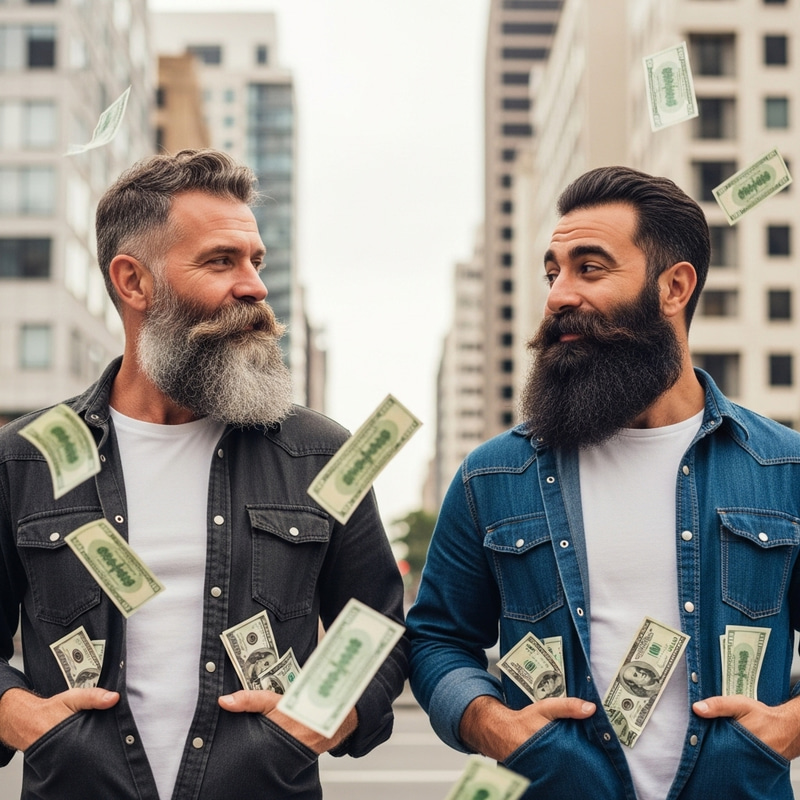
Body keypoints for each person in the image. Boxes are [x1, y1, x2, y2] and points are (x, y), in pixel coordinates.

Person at [0, 149, 408, 800]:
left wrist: (327, 718)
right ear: (134, 282)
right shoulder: (23, 459)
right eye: (222, 261)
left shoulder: (319, 455)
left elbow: (380, 632)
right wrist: (18, 714)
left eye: (256, 261)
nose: (254, 286)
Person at [407, 165, 800, 800]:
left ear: (674, 287)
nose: (559, 295)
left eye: (589, 269)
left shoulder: (785, 468)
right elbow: (438, 640)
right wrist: (494, 726)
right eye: (553, 272)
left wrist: (787, 725)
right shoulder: (492, 476)